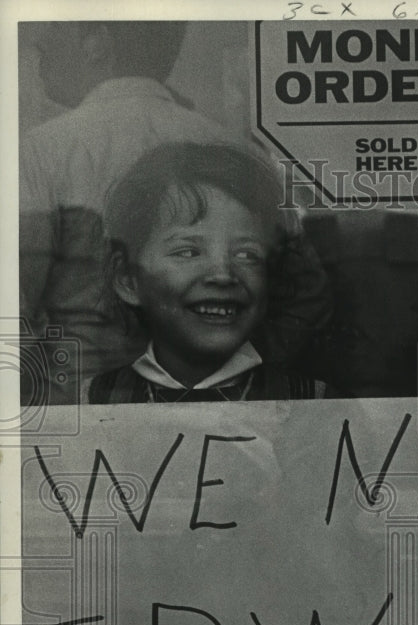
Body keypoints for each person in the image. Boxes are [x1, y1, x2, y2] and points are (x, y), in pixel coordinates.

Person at [19, 22, 330, 402]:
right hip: (224, 414)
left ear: (98, 42)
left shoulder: (38, 153)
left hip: (84, 416)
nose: (39, 44)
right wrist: (233, 371)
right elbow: (307, 294)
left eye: (55, 27)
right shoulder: (241, 153)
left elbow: (15, 309)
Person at [83, 143, 330, 403]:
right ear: (128, 281)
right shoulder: (89, 402)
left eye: (246, 255)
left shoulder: (313, 404)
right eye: (188, 252)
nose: (223, 275)